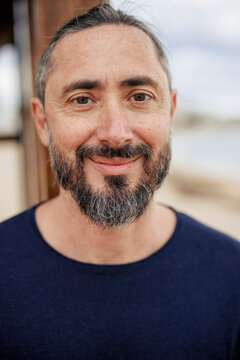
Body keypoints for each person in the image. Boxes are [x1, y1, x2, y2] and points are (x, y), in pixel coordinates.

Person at [0, 4, 239, 359]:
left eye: (140, 97)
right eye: (82, 99)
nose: (115, 133)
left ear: (170, 112)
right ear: (41, 122)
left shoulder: (232, 274)